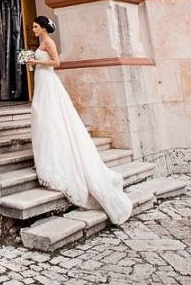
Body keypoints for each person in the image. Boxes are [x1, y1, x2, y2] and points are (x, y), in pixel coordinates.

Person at [26, 15, 132, 225]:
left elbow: (57, 62)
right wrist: (33, 64)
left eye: (36, 26)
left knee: (51, 117)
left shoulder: (48, 42)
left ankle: (55, 160)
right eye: (33, 26)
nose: (33, 29)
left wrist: (35, 61)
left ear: (44, 28)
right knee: (42, 117)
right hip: (41, 80)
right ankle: (47, 157)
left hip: (48, 81)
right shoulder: (40, 42)